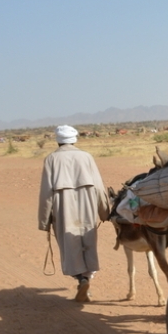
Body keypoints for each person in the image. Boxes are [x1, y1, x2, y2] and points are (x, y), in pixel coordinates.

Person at [38, 125, 110, 302]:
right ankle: (87, 280)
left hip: (63, 205)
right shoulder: (86, 157)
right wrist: (104, 212)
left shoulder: (51, 159)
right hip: (87, 203)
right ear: (74, 139)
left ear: (58, 140)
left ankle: (81, 279)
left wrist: (44, 221)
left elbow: (46, 193)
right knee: (88, 241)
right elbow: (99, 186)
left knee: (69, 245)